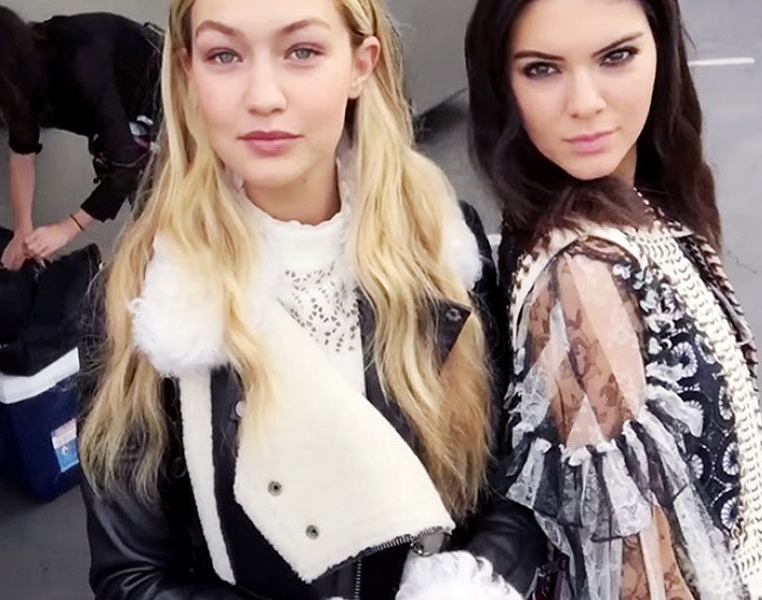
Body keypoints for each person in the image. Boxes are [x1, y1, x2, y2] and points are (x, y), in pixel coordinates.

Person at [77, 0, 546, 599]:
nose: (263, 97)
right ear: (189, 73)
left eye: (302, 51)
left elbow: (513, 476)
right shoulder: (140, 299)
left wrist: (466, 584)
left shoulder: (443, 246)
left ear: (360, 64)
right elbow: (133, 576)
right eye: (224, 55)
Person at [465, 0, 762, 597]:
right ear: (502, 84)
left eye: (616, 56)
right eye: (542, 69)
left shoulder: (635, 205)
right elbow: (635, 574)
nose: (585, 103)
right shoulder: (583, 276)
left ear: (661, 50)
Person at [0, 3, 161, 268]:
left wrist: (66, 229)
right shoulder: (21, 79)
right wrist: (22, 230)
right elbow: (22, 155)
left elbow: (126, 165)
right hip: (128, 128)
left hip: (173, 100)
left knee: (175, 218)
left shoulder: (80, 59)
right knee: (156, 221)